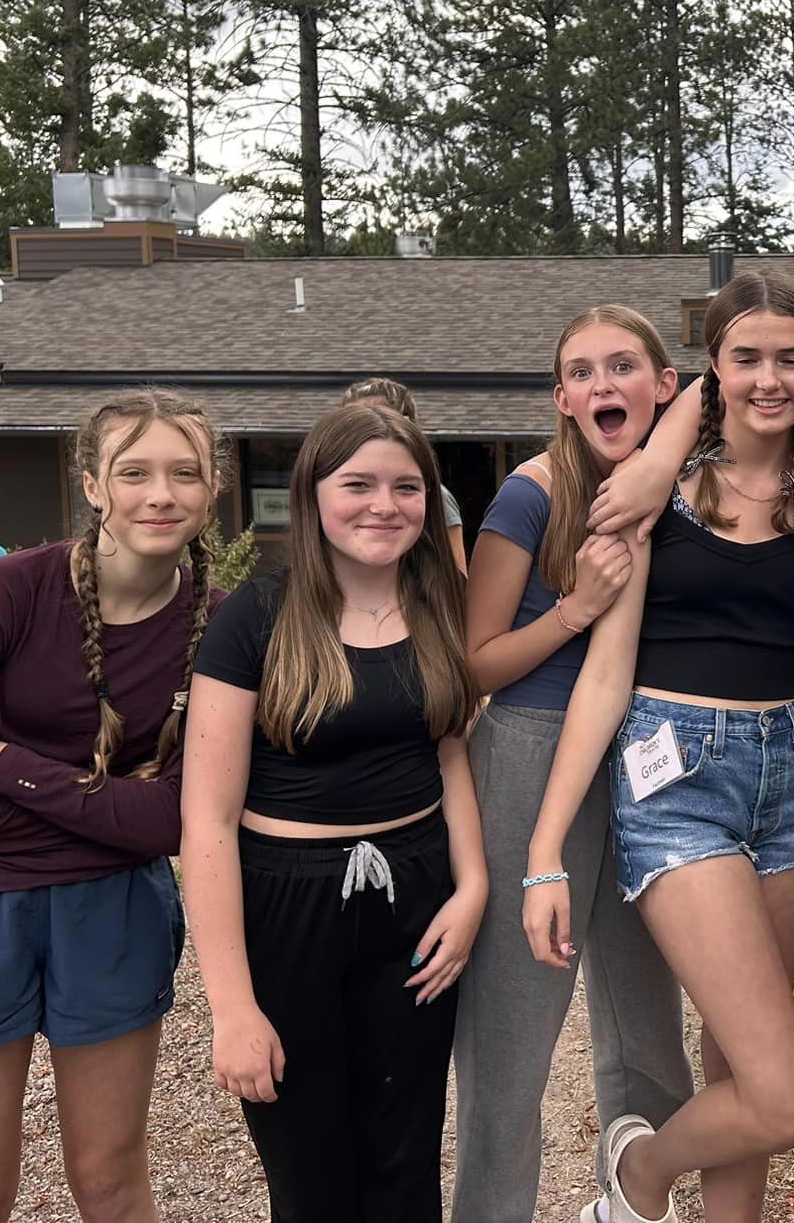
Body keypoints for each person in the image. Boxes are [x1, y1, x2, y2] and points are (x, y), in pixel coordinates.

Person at [522, 272, 794, 1223]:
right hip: (678, 774)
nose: (770, 378)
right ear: (714, 369)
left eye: (793, 357)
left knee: (741, 1059)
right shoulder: (659, 494)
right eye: (746, 358)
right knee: (787, 1096)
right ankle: (643, 1177)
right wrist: (545, 853)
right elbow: (606, 675)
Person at [0, 388, 223, 1223]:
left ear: (213, 490)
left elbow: (175, 821)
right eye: (134, 471)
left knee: (110, 1183)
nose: (161, 494)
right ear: (94, 484)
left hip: (110, 911)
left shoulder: (216, 626)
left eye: (186, 473)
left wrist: (4, 768)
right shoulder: (2, 597)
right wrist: (112, 811)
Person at [182, 402, 488, 1222]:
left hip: (418, 898)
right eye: (357, 484)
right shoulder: (255, 618)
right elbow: (206, 821)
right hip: (288, 905)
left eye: (406, 487)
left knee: (405, 1156)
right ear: (313, 493)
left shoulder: (439, 609)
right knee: (310, 1174)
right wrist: (232, 1008)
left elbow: (448, 748)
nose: (383, 506)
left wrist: (473, 889)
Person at [449, 306, 694, 1223]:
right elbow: (474, 662)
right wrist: (574, 609)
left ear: (663, 387)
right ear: (560, 397)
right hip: (528, 748)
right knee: (512, 1037)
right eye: (581, 373)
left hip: (649, 761)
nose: (602, 386)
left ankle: (634, 1206)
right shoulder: (531, 495)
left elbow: (738, 384)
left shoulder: (683, 481)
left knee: (648, 1025)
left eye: (623, 367)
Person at [343, 375, 470, 574]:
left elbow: (456, 577)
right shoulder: (330, 493)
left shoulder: (435, 498)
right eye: (350, 423)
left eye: (373, 421)